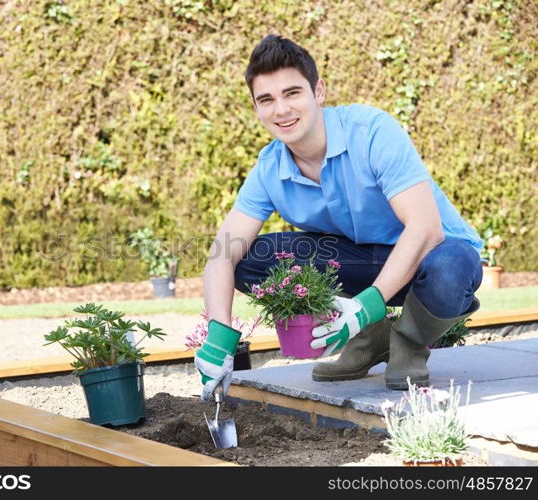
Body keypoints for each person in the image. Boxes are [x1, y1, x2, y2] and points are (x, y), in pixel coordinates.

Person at [194, 34, 482, 401]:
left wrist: (364, 306)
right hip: (362, 261)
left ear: (319, 92)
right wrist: (218, 339)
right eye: (266, 99)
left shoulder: (372, 132)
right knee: (248, 257)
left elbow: (425, 229)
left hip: (431, 258)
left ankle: (408, 342)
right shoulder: (270, 167)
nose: (281, 110)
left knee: (453, 264)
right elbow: (223, 252)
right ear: (256, 108)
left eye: (292, 93)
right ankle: (372, 337)